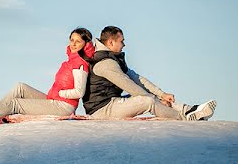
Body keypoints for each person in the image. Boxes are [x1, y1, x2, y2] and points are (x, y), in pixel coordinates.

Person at [0, 28, 95, 126]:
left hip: (63, 106)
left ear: (85, 44)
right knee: (20, 87)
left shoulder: (81, 64)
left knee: (16, 104)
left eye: (78, 41)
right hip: (54, 100)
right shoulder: (71, 60)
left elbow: (79, 92)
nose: (73, 43)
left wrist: (60, 93)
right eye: (72, 40)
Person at [83, 25, 217, 121]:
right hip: (101, 110)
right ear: (111, 42)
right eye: (121, 41)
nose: (124, 44)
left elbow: (137, 79)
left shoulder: (114, 59)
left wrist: (162, 94)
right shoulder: (105, 63)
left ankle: (189, 109)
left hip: (112, 103)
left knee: (149, 95)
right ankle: (185, 118)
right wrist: (156, 100)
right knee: (147, 101)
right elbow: (129, 85)